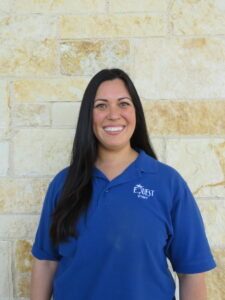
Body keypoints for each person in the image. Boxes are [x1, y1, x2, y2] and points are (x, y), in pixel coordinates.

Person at [30, 68, 216, 300]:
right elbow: (46, 262)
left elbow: (191, 273)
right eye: (101, 105)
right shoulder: (63, 184)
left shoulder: (168, 184)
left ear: (135, 112)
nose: (113, 114)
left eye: (123, 103)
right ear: (89, 116)